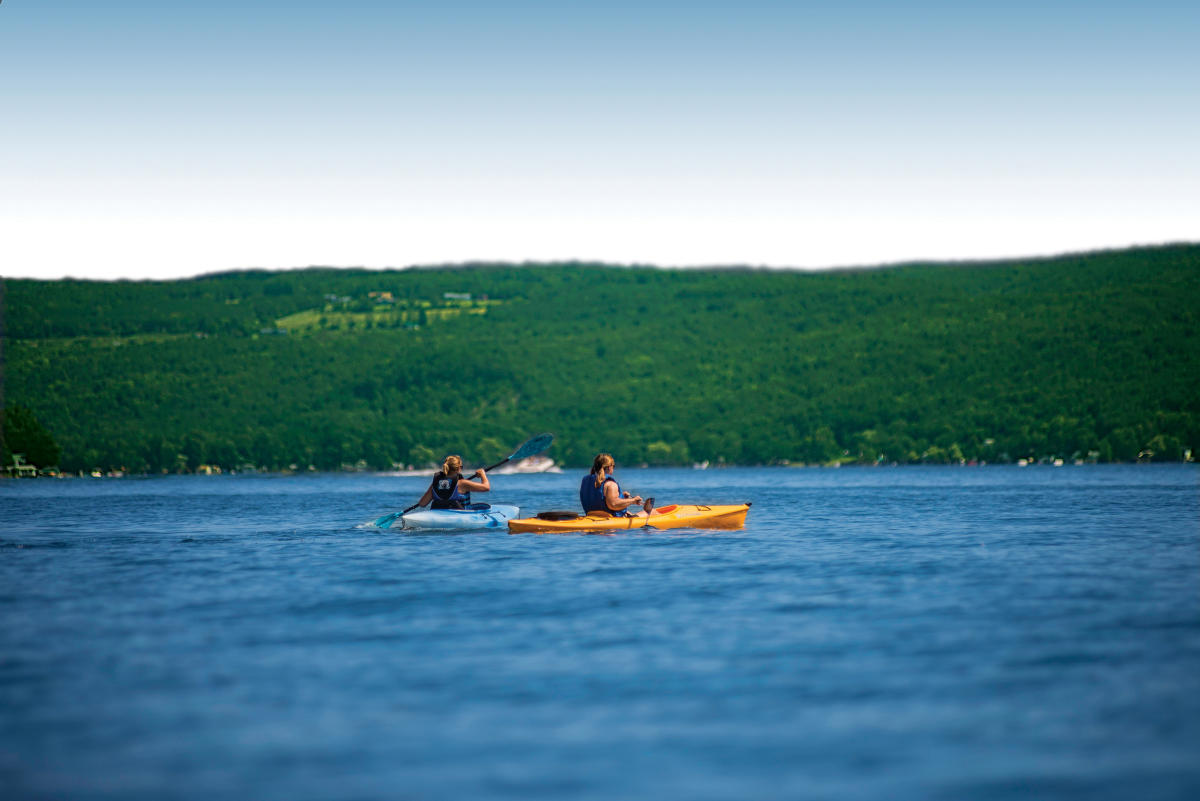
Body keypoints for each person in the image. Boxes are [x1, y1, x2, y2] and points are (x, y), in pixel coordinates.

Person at [580, 453, 650, 517]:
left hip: (591, 517)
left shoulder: (585, 480)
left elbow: (598, 497)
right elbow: (613, 504)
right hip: (611, 521)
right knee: (652, 512)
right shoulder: (610, 484)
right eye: (613, 466)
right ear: (609, 467)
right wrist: (633, 500)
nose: (613, 468)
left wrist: (621, 496)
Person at [417, 455, 490, 510]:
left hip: (438, 513)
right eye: (461, 467)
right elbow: (486, 487)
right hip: (459, 514)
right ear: (458, 468)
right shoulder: (462, 483)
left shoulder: (436, 483)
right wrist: (482, 474)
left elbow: (422, 504)